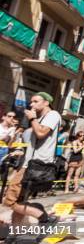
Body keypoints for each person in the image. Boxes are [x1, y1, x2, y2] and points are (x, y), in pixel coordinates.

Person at [2, 92, 61, 225]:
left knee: (9, 200)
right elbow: (33, 142)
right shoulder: (39, 119)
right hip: (28, 163)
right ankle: (14, 235)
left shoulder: (53, 115)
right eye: (31, 101)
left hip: (35, 164)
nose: (31, 104)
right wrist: (19, 150)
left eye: (35, 101)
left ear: (46, 102)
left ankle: (43, 216)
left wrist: (32, 119)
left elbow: (41, 133)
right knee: (20, 201)